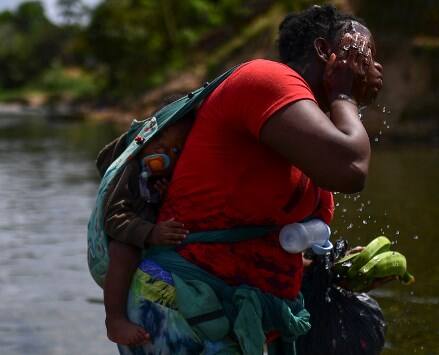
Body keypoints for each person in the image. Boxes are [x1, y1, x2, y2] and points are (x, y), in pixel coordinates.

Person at [118, 5, 384, 354]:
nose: (373, 68)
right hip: (184, 308)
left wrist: (330, 268)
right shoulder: (266, 80)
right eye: (362, 55)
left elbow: (270, 234)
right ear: (324, 51)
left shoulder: (306, 127)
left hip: (243, 315)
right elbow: (351, 170)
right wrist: (345, 95)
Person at [98, 118, 193, 346]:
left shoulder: (163, 178)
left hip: (152, 236)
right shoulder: (129, 168)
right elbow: (113, 217)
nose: (164, 151)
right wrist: (150, 233)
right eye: (159, 141)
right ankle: (115, 319)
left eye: (175, 149)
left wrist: (168, 195)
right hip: (126, 235)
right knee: (124, 251)